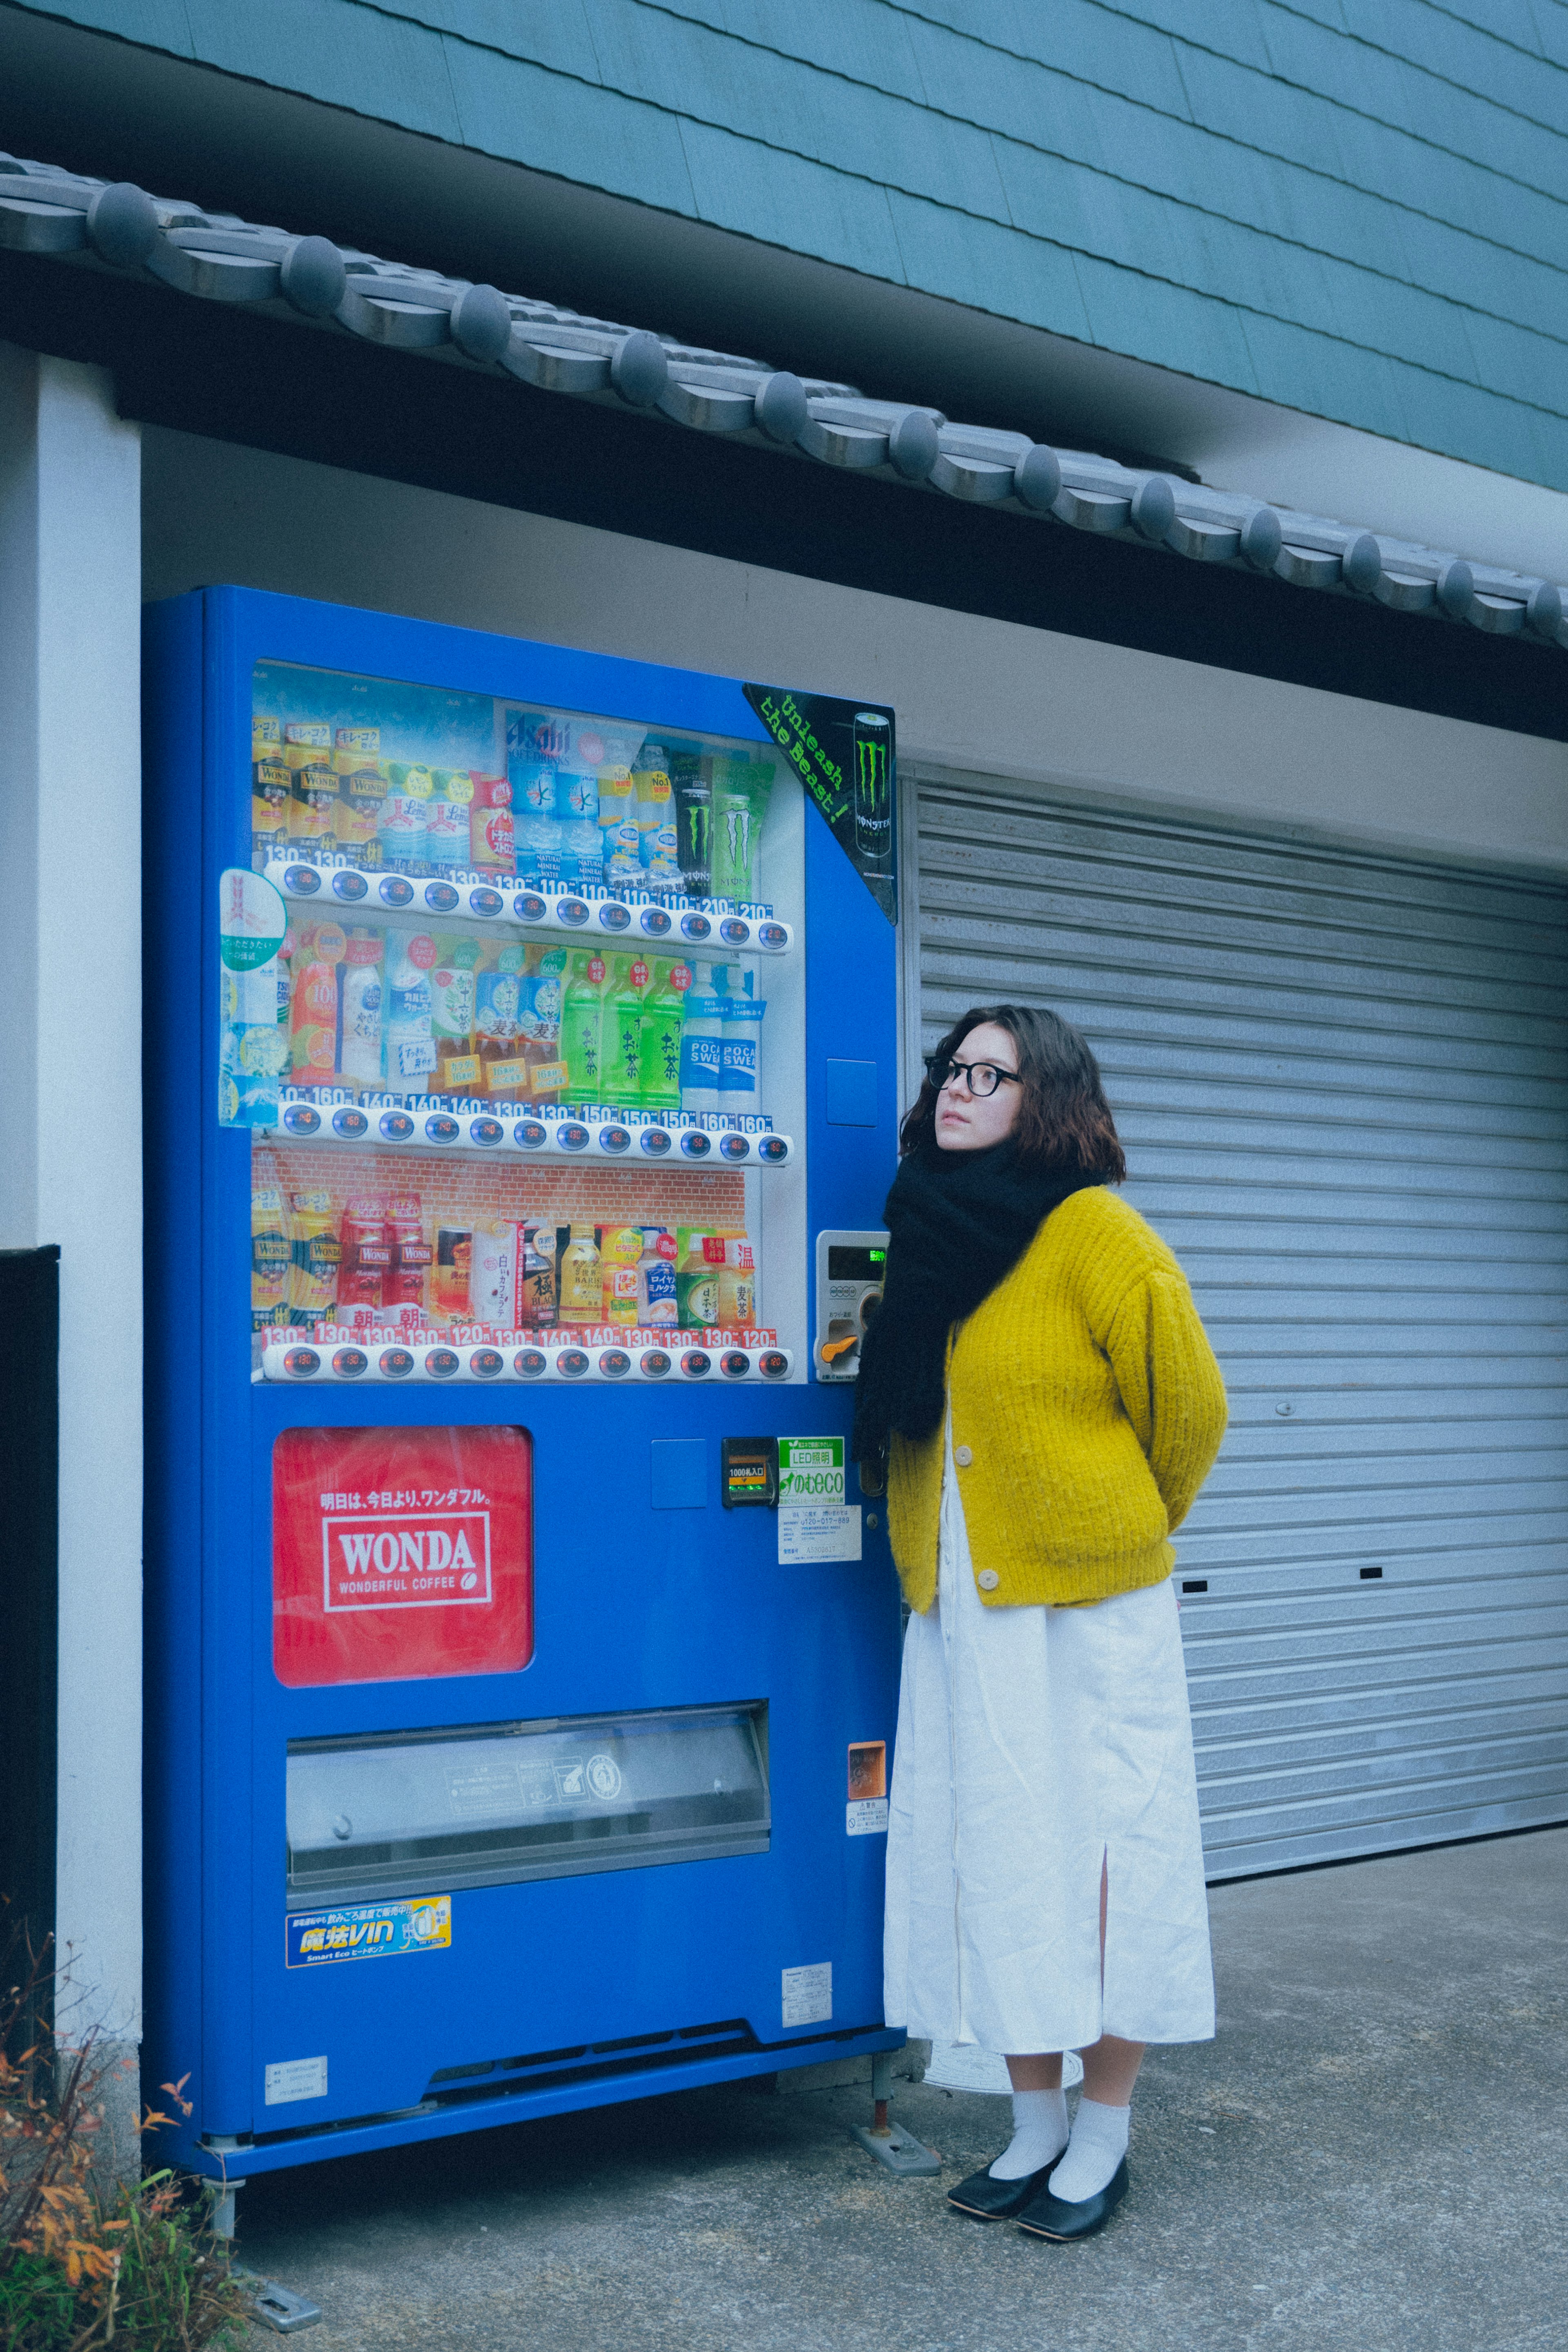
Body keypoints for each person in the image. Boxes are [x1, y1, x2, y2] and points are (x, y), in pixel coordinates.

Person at [853, 1004, 1227, 2244]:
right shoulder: (926, 1228)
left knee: (1112, 1867)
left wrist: (1113, 1534)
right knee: (996, 1863)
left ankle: (1105, 2129)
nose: (959, 1091)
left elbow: (1191, 1413)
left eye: (990, 1074)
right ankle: (1034, 2122)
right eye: (950, 1069)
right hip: (962, 1610)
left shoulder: (1092, 1231)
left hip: (1089, 1616)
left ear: (1046, 1096)